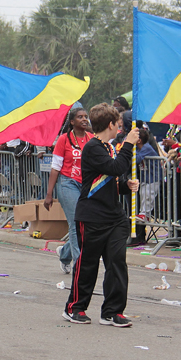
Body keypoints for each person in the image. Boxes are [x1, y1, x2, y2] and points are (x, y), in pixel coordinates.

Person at [63, 103, 139, 327]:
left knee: (117, 263)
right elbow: (114, 168)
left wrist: (125, 185)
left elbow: (111, 178)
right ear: (110, 125)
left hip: (114, 216)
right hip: (91, 216)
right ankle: (75, 307)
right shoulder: (93, 147)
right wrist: (128, 146)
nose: (120, 128)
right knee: (88, 264)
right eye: (118, 124)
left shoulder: (109, 148)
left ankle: (112, 311)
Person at [43, 107, 94, 274]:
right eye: (80, 117)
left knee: (85, 226)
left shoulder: (92, 139)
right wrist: (49, 194)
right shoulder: (64, 140)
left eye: (86, 117)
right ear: (72, 121)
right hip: (67, 184)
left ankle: (65, 253)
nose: (84, 120)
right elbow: (55, 167)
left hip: (86, 185)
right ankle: (80, 267)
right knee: (76, 224)